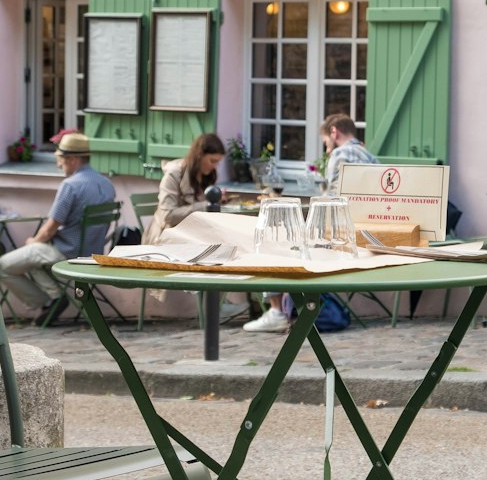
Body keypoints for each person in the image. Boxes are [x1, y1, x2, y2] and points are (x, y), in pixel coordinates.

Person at [243, 114, 376, 334]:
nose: (326, 147)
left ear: (334, 132)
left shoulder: (340, 154)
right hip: (363, 233)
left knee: (281, 243)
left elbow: (334, 200)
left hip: (337, 236)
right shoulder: (368, 155)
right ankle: (287, 308)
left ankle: (277, 310)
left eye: (325, 141)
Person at [0, 131, 115, 324]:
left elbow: (50, 228)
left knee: (1, 267)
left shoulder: (70, 186)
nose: (58, 164)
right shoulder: (107, 184)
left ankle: (47, 301)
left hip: (68, 253)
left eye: (60, 159)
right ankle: (54, 298)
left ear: (74, 159)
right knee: (33, 260)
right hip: (93, 253)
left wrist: (32, 242)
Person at [146, 132, 228, 244]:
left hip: (191, 236)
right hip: (165, 238)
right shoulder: (174, 174)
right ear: (199, 155)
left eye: (217, 162)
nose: (215, 166)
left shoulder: (206, 176)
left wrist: (217, 199)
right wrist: (206, 206)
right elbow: (168, 216)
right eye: (212, 161)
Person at [321, 112, 378, 191]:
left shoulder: (340, 153)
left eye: (326, 143)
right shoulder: (370, 156)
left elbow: (334, 193)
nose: (327, 150)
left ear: (334, 131)